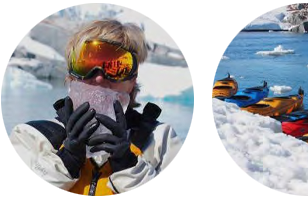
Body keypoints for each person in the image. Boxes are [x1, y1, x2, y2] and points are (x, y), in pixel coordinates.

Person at [1, 20, 194, 196]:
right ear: (71, 76)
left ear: (132, 81)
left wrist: (130, 169)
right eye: (86, 63)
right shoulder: (34, 137)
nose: (99, 77)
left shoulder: (158, 140)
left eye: (116, 66)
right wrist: (64, 162)